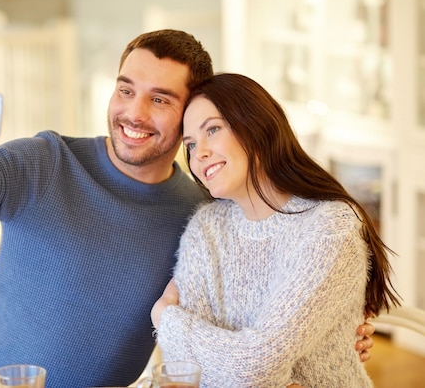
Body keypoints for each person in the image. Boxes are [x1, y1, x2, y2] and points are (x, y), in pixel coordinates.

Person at [0, 30, 375, 388]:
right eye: (125, 89)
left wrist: (329, 336)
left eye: (160, 99)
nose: (134, 113)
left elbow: (259, 299)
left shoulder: (199, 211)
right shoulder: (45, 161)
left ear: (189, 113)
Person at [150, 73, 401, 387]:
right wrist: (251, 368)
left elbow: (256, 366)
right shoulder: (205, 228)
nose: (198, 154)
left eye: (212, 129)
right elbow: (185, 369)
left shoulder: (329, 227)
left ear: (255, 126)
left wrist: (166, 319)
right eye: (190, 144)